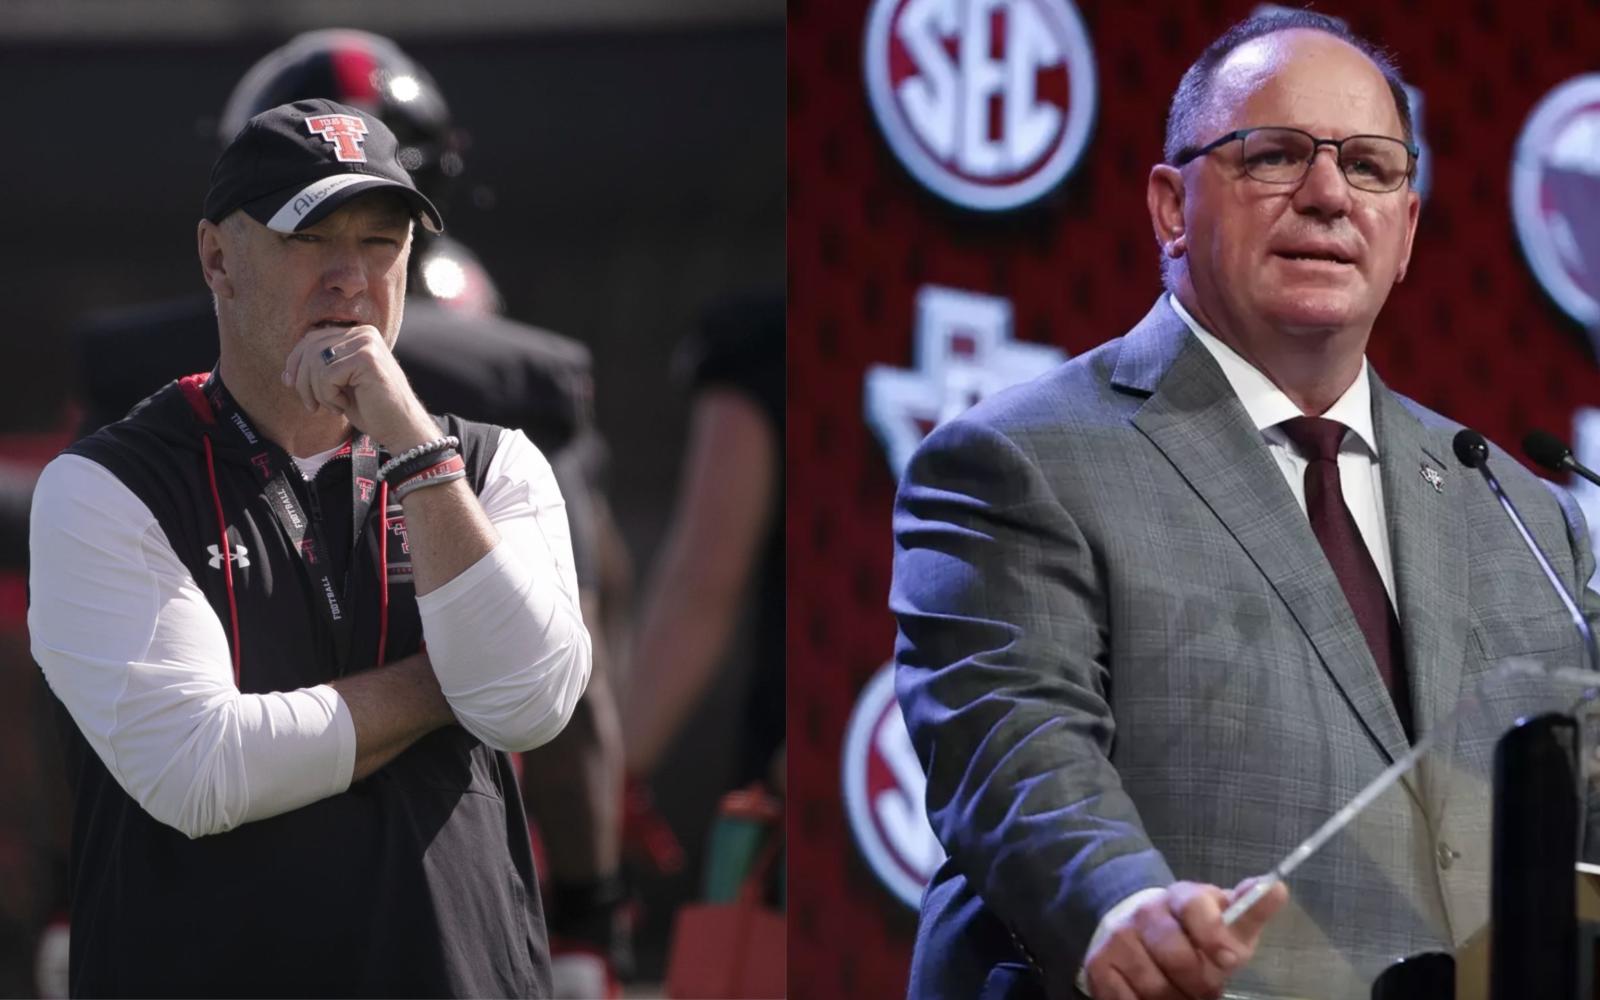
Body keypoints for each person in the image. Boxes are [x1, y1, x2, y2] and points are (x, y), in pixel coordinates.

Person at [890, 11, 1600, 1000]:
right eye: (1274, 156)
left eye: (1368, 167)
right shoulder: (1019, 461)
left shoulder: (1518, 509)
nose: (1327, 195)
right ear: (1171, 207)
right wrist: (1121, 905)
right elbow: (1013, 745)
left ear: (1405, 231)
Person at [65, 30, 636, 997]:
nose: (351, 278)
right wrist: (446, 683)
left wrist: (411, 439)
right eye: (310, 237)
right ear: (217, 257)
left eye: (381, 242)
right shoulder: (107, 482)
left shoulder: (497, 462)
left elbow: (528, 704)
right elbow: (201, 769)